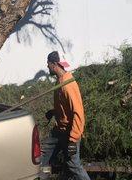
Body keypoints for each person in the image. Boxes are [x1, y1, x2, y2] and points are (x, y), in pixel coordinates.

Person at [40, 51, 91, 180]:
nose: (47, 67)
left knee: (73, 165)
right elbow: (65, 107)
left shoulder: (68, 85)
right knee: (43, 158)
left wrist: (73, 139)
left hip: (70, 134)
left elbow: (78, 113)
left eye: (48, 64)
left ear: (54, 64)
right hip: (58, 132)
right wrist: (54, 112)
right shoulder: (60, 81)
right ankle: (42, 177)